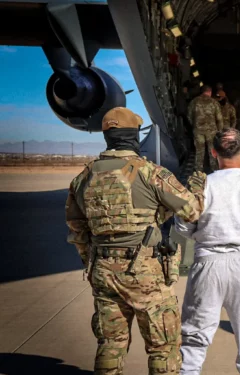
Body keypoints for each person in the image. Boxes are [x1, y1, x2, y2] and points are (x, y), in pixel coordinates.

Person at [65, 107, 204, 375]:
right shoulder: (151, 173)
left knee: (110, 344)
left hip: (103, 271)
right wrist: (198, 184)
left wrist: (93, 262)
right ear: (132, 136)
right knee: (163, 346)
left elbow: (77, 229)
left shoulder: (83, 178)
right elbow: (192, 210)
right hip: (145, 273)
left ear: (108, 136)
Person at [176, 128, 240, 375]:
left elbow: (183, 226)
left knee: (193, 340)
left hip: (207, 263)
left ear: (213, 153)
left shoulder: (201, 187)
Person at [188, 85, 223, 172]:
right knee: (212, 151)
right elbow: (219, 118)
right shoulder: (214, 102)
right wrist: (219, 131)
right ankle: (214, 170)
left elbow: (189, 116)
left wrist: (195, 125)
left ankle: (198, 172)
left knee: (199, 151)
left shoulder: (194, 102)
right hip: (211, 131)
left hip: (198, 130)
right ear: (210, 92)